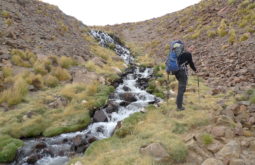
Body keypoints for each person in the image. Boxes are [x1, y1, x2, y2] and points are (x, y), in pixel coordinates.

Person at [166, 41, 197, 111]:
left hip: (176, 72)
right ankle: (179, 107)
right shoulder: (188, 54)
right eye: (191, 48)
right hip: (182, 72)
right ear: (187, 47)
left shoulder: (179, 53)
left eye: (193, 48)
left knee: (182, 88)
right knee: (181, 89)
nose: (192, 49)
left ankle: (178, 101)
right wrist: (195, 70)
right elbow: (191, 64)